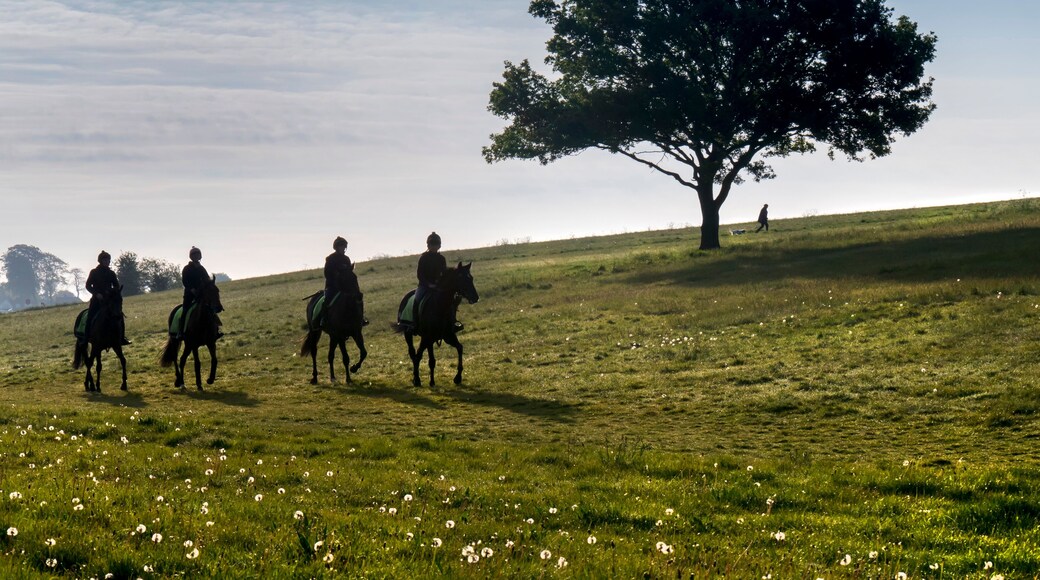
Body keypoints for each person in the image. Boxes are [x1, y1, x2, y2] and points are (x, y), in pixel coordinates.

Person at [413, 232, 462, 331]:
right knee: (416, 300)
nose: (434, 247)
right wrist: (429, 284)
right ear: (428, 245)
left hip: (438, 285)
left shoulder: (441, 258)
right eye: (432, 244)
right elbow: (420, 275)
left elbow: (443, 272)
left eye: (436, 244)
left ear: (439, 245)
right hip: (424, 286)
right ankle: (415, 324)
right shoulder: (423, 258)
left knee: (452, 300)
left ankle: (453, 321)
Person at [84, 250, 130, 345]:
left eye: (108, 260)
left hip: (109, 301)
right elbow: (88, 285)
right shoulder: (94, 272)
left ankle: (121, 338)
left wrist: (112, 292)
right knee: (90, 317)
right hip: (97, 301)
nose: (107, 262)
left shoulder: (111, 273)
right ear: (100, 261)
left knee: (119, 316)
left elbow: (116, 286)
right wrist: (96, 294)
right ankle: (86, 337)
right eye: (105, 260)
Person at [322, 236, 367, 326]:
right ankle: (323, 320)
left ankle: (360, 318)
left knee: (358, 298)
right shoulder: (330, 259)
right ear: (336, 247)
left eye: (344, 247)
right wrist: (336, 278)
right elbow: (327, 274)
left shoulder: (346, 259)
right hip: (333, 287)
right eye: (341, 246)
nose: (343, 249)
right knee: (326, 300)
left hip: (345, 287)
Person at [179, 247, 221, 338]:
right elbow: (185, 281)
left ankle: (216, 330)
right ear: (191, 257)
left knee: (211, 309)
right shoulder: (187, 268)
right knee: (185, 311)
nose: (196, 256)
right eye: (194, 255)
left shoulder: (202, 268)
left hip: (202, 294)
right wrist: (192, 289)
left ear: (200, 256)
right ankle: (181, 332)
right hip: (190, 295)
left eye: (197, 254)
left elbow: (206, 279)